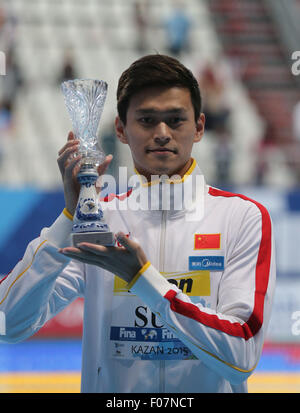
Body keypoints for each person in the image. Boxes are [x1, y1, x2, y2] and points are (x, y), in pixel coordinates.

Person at [0, 54, 276, 393]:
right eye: (146, 120)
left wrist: (141, 279)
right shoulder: (100, 221)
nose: (162, 133)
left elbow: (242, 357)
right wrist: (70, 218)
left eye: (176, 120)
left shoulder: (242, 218)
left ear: (200, 127)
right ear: (121, 129)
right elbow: (8, 324)